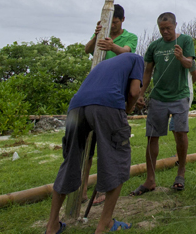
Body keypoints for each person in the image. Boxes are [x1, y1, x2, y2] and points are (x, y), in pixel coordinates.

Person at [44, 51, 144, 234]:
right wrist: (128, 109)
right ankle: (104, 224)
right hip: (107, 104)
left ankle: (51, 226)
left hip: (76, 106)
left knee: (70, 161)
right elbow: (134, 91)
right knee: (117, 160)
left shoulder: (105, 65)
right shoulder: (137, 59)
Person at [132, 12, 196, 195]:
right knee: (152, 137)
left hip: (179, 96)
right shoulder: (154, 46)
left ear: (175, 25)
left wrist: (181, 58)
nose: (165, 32)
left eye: (168, 28)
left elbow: (189, 65)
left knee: (180, 133)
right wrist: (140, 93)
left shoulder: (185, 41)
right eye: (162, 29)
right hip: (158, 97)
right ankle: (150, 180)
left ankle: (180, 174)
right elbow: (148, 71)